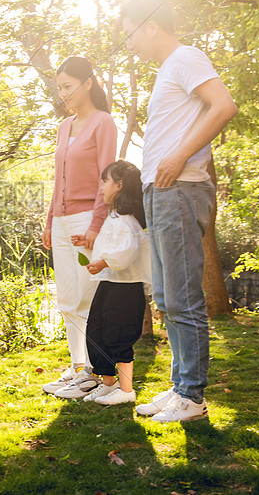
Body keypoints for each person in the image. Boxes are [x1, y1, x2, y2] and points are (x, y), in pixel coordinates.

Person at [121, 0, 237, 422]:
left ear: (151, 26)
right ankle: (179, 388)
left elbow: (224, 106)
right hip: (162, 193)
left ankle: (192, 397)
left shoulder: (186, 56)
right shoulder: (169, 69)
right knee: (169, 298)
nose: (129, 42)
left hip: (179, 189)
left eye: (130, 32)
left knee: (183, 298)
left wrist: (177, 157)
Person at [41, 56, 117, 399]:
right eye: (59, 88)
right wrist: (49, 221)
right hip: (60, 221)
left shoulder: (104, 124)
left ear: (87, 83)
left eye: (68, 86)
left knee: (87, 296)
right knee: (67, 299)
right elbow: (57, 181)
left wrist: (96, 227)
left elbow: (108, 180)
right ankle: (78, 368)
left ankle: (91, 370)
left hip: (87, 220)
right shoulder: (63, 126)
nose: (63, 94)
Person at [71, 160, 151, 405]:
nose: (101, 187)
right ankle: (108, 383)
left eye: (105, 181)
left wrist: (104, 262)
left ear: (119, 185)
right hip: (110, 284)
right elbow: (112, 246)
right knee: (97, 332)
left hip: (126, 288)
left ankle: (127, 391)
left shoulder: (127, 219)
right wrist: (86, 240)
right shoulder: (114, 216)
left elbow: (127, 251)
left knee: (119, 335)